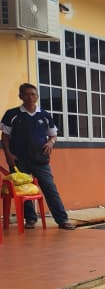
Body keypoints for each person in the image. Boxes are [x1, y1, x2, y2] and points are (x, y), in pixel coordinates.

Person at [1, 83, 75, 230]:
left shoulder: (45, 115)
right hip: (18, 160)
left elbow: (53, 135)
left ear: (37, 96)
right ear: (21, 96)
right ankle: (30, 219)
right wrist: (8, 154)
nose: (30, 97)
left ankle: (62, 220)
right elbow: (5, 137)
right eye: (26, 94)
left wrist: (50, 143)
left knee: (50, 189)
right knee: (23, 191)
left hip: (40, 159)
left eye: (33, 94)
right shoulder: (12, 114)